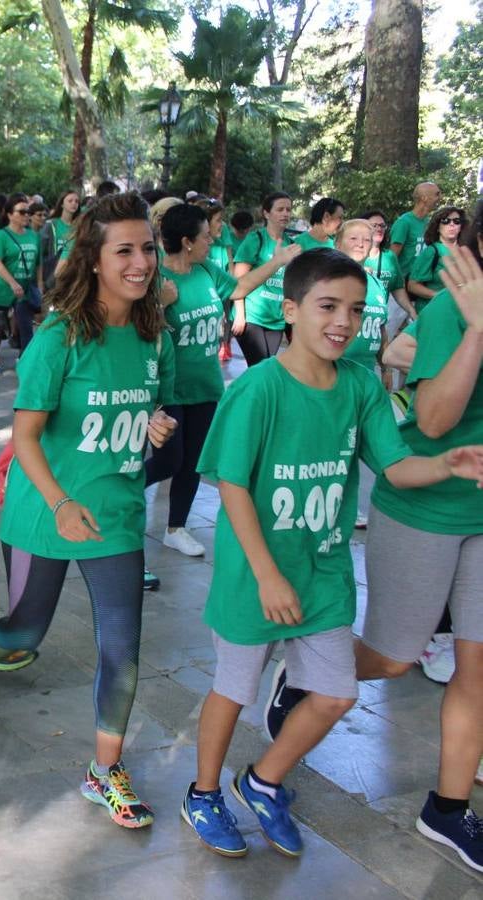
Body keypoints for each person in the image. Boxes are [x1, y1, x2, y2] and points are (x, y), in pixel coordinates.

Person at [183, 249, 483, 860]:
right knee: (233, 690)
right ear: (290, 311)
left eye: (354, 309)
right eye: (327, 306)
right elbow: (232, 483)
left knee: (338, 695)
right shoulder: (261, 389)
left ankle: (263, 780)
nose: (342, 321)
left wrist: (445, 463)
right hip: (256, 579)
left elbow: (395, 467)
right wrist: (267, 576)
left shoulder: (358, 385)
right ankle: (204, 791)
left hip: (323, 574)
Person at [0, 194, 178, 832]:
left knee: (123, 648)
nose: (140, 262)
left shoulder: (156, 331)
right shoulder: (59, 335)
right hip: (48, 506)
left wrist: (154, 421)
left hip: (116, 511)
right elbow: (24, 437)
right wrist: (61, 502)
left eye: (147, 248)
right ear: (95, 258)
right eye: (124, 250)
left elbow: (140, 406)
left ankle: (105, 771)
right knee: (25, 632)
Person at [331, 248, 483, 872]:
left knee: (477, 669)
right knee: (393, 659)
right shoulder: (454, 307)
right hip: (426, 502)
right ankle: (310, 674)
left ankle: (446, 810)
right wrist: (477, 329)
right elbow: (435, 417)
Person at [148, 204, 300, 559]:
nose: (212, 239)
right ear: (186, 241)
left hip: (205, 387)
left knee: (193, 462)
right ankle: (114, 495)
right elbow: (138, 330)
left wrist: (278, 262)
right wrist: (160, 304)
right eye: (205, 235)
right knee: (169, 461)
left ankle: (176, 528)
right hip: (168, 389)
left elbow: (239, 288)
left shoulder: (205, 270)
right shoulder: (158, 280)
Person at [231, 192, 297, 365]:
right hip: (252, 317)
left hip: (276, 320)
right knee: (260, 367)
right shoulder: (256, 239)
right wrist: (240, 314)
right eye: (280, 209)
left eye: (288, 210)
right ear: (266, 213)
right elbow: (238, 281)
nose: (285, 214)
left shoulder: (291, 245)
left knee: (264, 368)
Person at [334, 220, 391, 378]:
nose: (360, 244)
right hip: (333, 372)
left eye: (366, 240)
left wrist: (386, 369)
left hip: (366, 375)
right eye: (353, 238)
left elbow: (381, 329)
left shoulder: (377, 284)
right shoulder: (326, 280)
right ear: (337, 244)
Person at [0, 194, 42, 352]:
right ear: (10, 214)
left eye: (28, 212)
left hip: (24, 291)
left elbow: (38, 264)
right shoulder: (1, 235)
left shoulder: (33, 235)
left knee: (26, 329)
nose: (26, 215)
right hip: (2, 291)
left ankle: (26, 363)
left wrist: (39, 285)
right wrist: (12, 283)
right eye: (21, 212)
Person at [358, 209, 415, 331]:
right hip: (357, 318)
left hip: (380, 320)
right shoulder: (353, 255)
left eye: (382, 225)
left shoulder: (389, 257)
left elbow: (397, 288)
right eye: (374, 225)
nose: (379, 229)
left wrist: (411, 310)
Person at [406, 206, 467, 314]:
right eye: (445, 221)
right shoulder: (432, 251)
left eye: (456, 221)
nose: (451, 224)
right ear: (437, 227)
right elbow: (412, 286)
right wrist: (439, 296)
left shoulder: (466, 251)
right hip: (432, 312)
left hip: (458, 312)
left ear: (461, 226)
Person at [389, 181, 441, 276]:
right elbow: (392, 257)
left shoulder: (429, 222)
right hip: (405, 280)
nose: (440, 198)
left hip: (423, 279)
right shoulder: (404, 222)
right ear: (424, 198)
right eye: (437, 194)